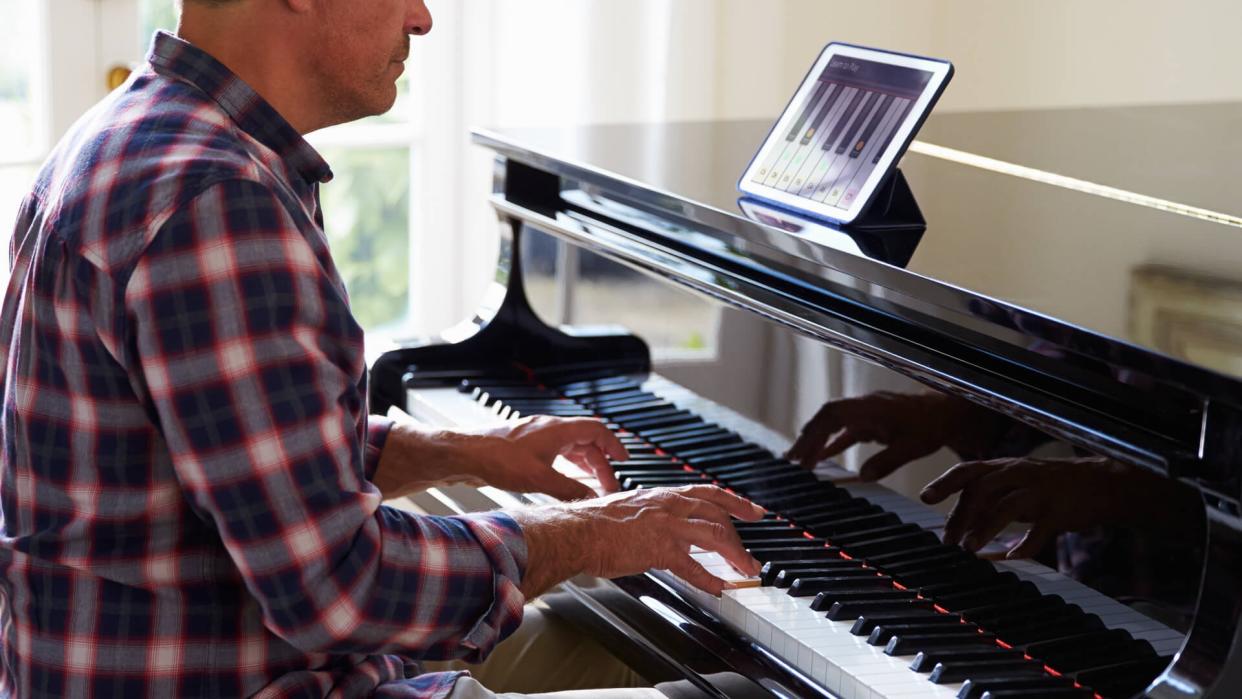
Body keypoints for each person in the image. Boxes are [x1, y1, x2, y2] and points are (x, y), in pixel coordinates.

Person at [0, 1, 763, 697]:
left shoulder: (136, 133)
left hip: (190, 659)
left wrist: (473, 450)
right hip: (248, 676)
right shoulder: (216, 200)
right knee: (732, 693)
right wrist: (601, 530)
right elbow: (338, 589)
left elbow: (249, 460)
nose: (422, 17)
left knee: (618, 638)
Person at [789, 390, 1204, 622]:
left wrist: (1119, 487)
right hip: (1081, 586)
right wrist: (954, 414)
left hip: (1201, 608)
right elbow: (1066, 384)